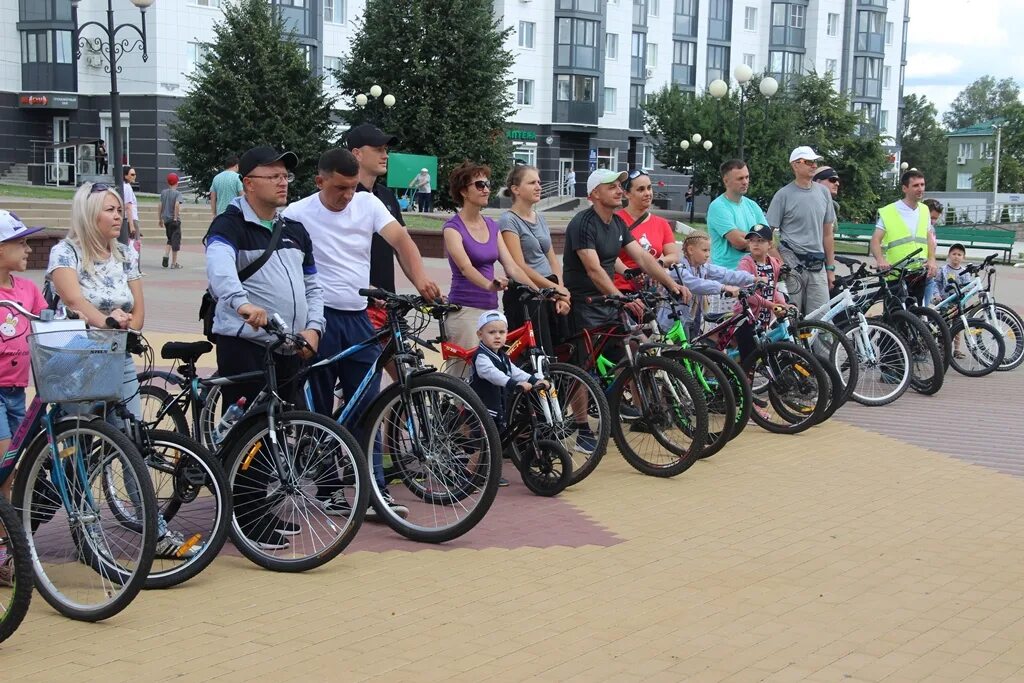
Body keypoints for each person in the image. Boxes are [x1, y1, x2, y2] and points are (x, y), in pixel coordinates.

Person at [284, 148, 440, 518]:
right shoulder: (297, 214)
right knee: (317, 408)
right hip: (317, 320)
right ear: (319, 181)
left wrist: (420, 280)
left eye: (353, 187)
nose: (348, 196)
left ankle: (374, 491)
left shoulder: (368, 204)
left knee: (368, 403)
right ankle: (328, 488)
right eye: (340, 188)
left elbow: (401, 240)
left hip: (358, 319)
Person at [48, 183, 197, 559]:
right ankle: (86, 531)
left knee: (132, 441)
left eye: (119, 209)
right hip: (77, 361)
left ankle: (155, 531)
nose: (119, 216)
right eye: (110, 210)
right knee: (77, 449)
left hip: (118, 358)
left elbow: (139, 309)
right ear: (89, 213)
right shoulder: (65, 253)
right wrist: (109, 323)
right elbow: (74, 301)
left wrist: (127, 324)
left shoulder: (125, 254)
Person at [205, 146, 325, 550]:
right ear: (248, 183)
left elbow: (313, 284)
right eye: (272, 174)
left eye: (285, 175)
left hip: (288, 344)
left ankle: (255, 503)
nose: (282, 181)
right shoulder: (230, 224)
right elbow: (220, 271)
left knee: (278, 430)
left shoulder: (293, 228)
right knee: (249, 429)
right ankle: (245, 515)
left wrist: (314, 327)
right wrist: (242, 304)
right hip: (244, 342)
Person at [562, 168, 691, 362]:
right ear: (595, 194)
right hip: (586, 306)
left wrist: (671, 285)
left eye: (620, 186)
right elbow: (594, 269)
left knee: (632, 359)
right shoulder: (583, 223)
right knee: (585, 368)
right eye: (611, 187)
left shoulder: (617, 223)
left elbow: (643, 257)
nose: (619, 191)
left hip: (610, 303)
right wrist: (622, 298)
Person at [442, 161, 530, 375]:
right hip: (464, 311)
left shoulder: (492, 225)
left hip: (490, 312)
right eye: (480, 185)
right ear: (464, 191)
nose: (487, 189)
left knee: (490, 377)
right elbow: (465, 268)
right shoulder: (453, 228)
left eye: (488, 184)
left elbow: (512, 266)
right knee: (463, 380)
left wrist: (541, 290)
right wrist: (489, 285)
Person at [498, 163, 570, 351]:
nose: (538, 186)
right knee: (536, 353)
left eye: (539, 182)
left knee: (559, 350)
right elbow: (519, 265)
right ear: (516, 189)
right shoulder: (509, 220)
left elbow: (552, 259)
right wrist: (554, 289)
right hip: (527, 294)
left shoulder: (540, 217)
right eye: (532, 183)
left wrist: (560, 290)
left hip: (549, 291)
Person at [0, 211, 46, 499]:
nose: (29, 249)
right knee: (4, 462)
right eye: (22, 243)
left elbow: (49, 318)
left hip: (18, 393)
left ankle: (10, 531)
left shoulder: (27, 289)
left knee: (14, 465)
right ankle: (5, 539)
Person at [766, 146, 836, 312]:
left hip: (817, 264)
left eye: (815, 162)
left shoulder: (824, 193)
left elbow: (828, 234)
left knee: (822, 318)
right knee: (791, 315)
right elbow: (767, 235)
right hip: (792, 263)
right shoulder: (783, 195)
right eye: (808, 161)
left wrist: (831, 268)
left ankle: (816, 340)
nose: (813, 165)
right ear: (795, 165)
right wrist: (781, 264)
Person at [665, 232, 753, 339]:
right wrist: (723, 287)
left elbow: (726, 274)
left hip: (693, 320)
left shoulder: (703, 267)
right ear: (690, 250)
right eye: (704, 250)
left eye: (709, 250)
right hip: (674, 322)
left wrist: (753, 278)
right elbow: (695, 284)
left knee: (693, 350)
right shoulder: (678, 269)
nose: (708, 254)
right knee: (681, 353)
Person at [870, 169, 938, 304]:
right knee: (895, 317)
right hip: (895, 273)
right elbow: (875, 240)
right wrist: (880, 260)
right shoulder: (889, 211)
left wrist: (932, 260)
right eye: (916, 185)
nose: (920, 189)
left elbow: (929, 238)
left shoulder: (924, 210)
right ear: (904, 188)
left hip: (918, 272)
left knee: (915, 315)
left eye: (922, 185)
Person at [613, 169, 680, 291]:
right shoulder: (615, 220)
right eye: (641, 189)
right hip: (621, 289)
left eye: (649, 188)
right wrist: (631, 273)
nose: (647, 193)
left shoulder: (662, 224)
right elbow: (608, 256)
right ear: (627, 194)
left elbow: (674, 256)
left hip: (651, 292)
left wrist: (656, 265)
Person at [706, 159, 768, 269]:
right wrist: (758, 240)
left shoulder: (752, 205)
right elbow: (738, 242)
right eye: (740, 178)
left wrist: (749, 239)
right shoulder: (718, 206)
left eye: (747, 177)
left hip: (754, 271)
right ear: (726, 181)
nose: (745, 182)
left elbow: (767, 237)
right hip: (727, 273)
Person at [738, 225, 787, 330]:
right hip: (747, 318)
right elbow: (749, 295)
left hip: (765, 318)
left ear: (769, 244)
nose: (755, 244)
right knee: (749, 346)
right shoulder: (745, 264)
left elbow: (773, 289)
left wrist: (783, 305)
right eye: (752, 240)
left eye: (760, 240)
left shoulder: (774, 263)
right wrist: (772, 305)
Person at [158, 173, 183, 269]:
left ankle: (166, 254)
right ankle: (174, 263)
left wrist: (160, 219)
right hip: (174, 221)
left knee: (169, 239)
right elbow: (177, 205)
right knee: (176, 241)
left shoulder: (163, 193)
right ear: (177, 183)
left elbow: (160, 205)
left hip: (166, 220)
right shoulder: (177, 193)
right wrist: (176, 218)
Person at [121, 166, 138, 247]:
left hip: (129, 219)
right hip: (131, 219)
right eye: (132, 174)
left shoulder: (125, 186)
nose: (134, 176)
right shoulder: (127, 187)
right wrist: (132, 226)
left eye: (134, 174)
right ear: (125, 176)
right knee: (134, 243)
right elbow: (128, 206)